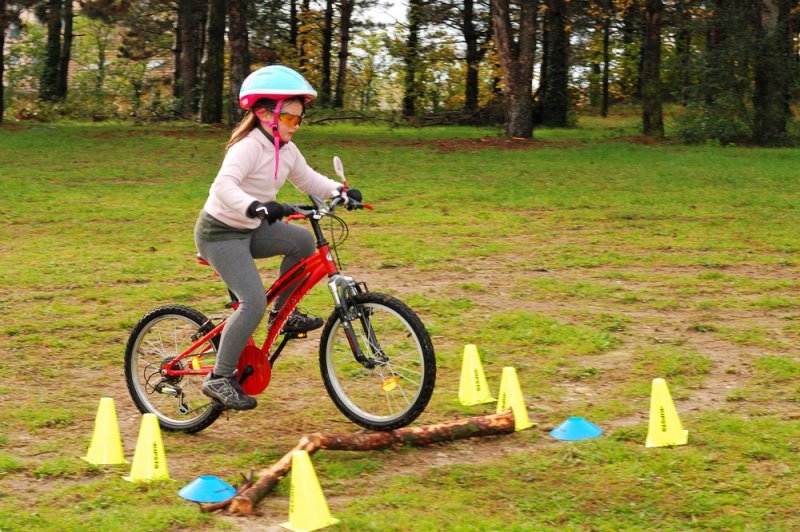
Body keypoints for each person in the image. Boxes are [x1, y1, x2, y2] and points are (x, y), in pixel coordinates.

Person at [194, 65, 359, 410]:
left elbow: (309, 179)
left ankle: (283, 313)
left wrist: (339, 192)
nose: (294, 126)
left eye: (299, 120)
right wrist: (255, 207)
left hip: (250, 228)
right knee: (252, 301)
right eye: (290, 119)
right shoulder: (248, 147)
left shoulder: (287, 150)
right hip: (220, 233)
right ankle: (219, 377)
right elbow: (222, 187)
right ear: (266, 114)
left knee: (301, 242)